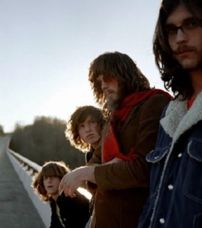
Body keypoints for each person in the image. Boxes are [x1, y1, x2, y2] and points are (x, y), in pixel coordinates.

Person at [138, 0, 202, 227]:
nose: (180, 38)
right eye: (171, 30)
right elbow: (154, 203)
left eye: (191, 24)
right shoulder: (169, 114)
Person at [59, 51, 171, 228]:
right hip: (103, 219)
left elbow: (145, 168)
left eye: (108, 78)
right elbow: (95, 164)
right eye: (99, 82)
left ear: (125, 74)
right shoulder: (113, 117)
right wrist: (108, 169)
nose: (103, 85)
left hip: (135, 219)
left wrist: (90, 173)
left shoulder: (154, 103)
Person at [65, 105, 105, 227]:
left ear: (101, 124)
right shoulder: (90, 155)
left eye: (91, 122)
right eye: (82, 126)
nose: (88, 129)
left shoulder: (111, 146)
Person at [32, 161, 90, 228]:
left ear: (62, 179)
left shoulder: (70, 198)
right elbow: (55, 224)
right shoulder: (55, 200)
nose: (49, 181)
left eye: (53, 177)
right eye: (46, 178)